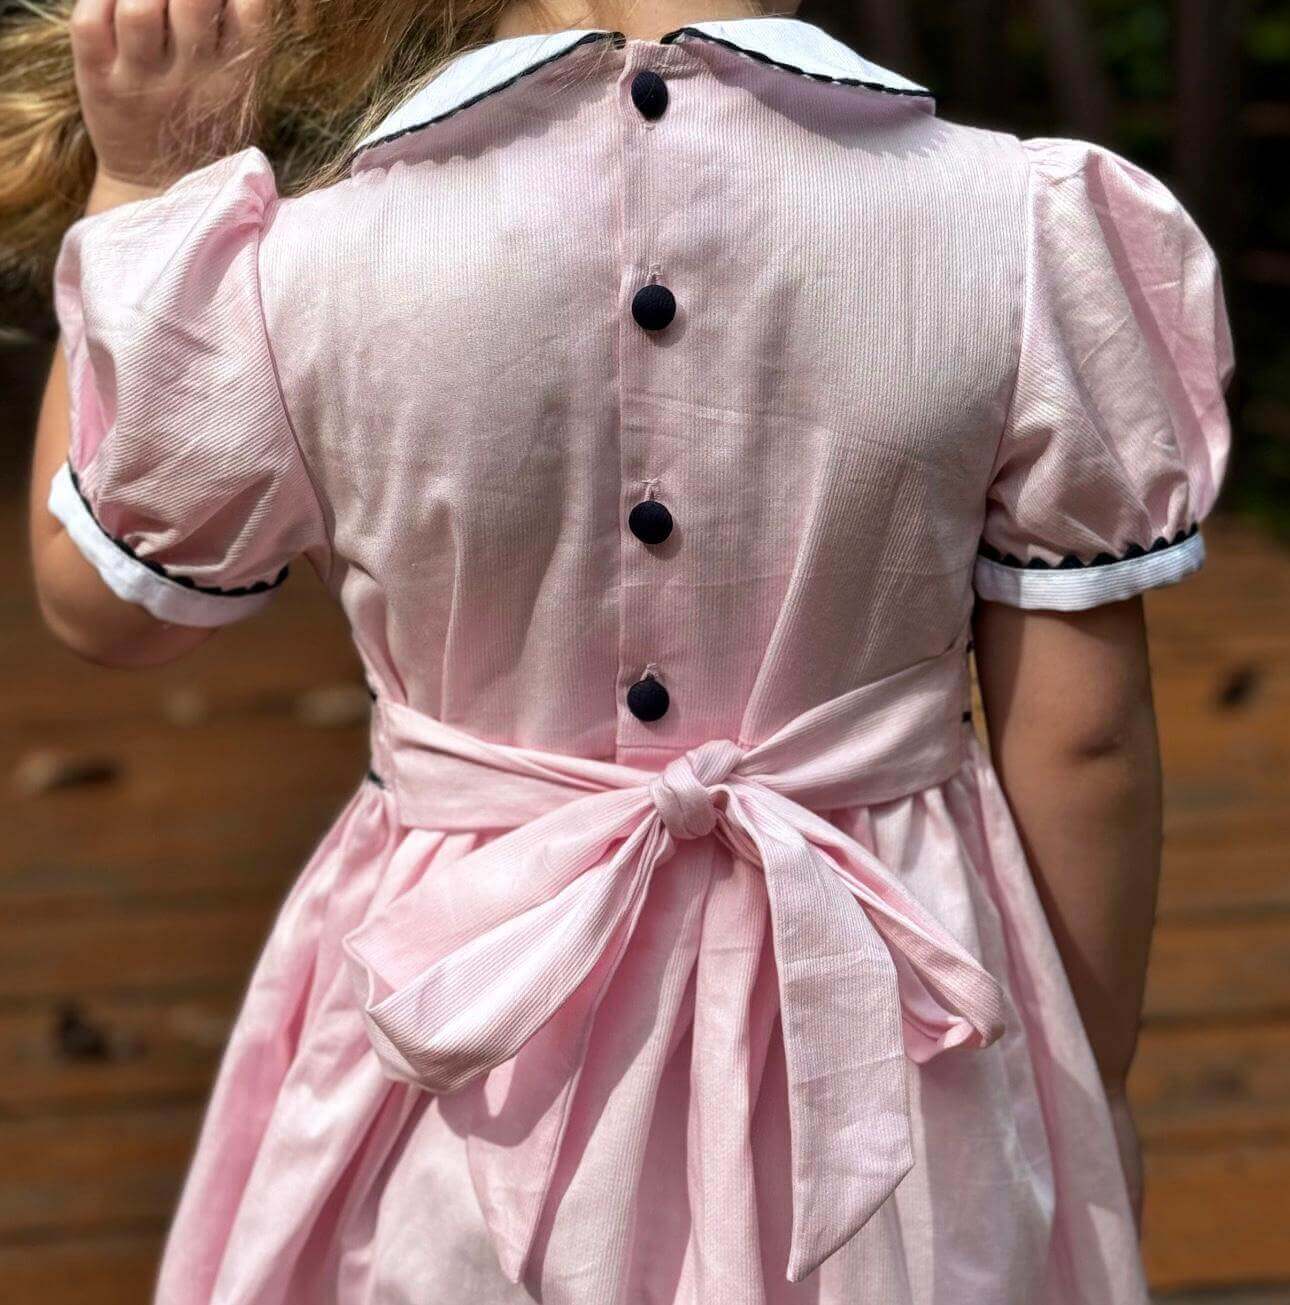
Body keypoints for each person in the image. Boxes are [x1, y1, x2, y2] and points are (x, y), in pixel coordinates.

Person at [7, 0, 1232, 1298]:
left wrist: (143, 192)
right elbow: (1081, 739)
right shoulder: (1023, 231)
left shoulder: (302, 262)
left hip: (464, 1020)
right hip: (882, 1037)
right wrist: (1077, 1085)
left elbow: (105, 602)